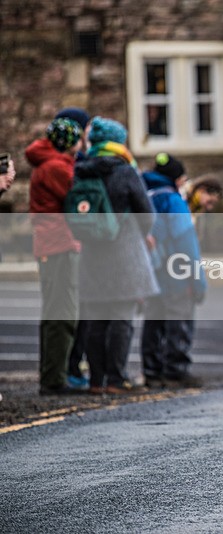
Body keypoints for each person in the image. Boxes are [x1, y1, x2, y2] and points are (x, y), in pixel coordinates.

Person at [76, 117, 159, 395]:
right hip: (124, 251)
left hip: (91, 252)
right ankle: (115, 378)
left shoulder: (82, 170)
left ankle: (96, 380)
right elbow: (146, 213)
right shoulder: (125, 171)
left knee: (95, 320)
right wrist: (141, 233)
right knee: (121, 318)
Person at [25, 118, 85, 395]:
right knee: (63, 312)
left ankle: (52, 374)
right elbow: (78, 199)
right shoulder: (57, 168)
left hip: (51, 244)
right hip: (59, 244)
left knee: (55, 310)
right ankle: (55, 378)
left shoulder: (47, 164)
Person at [140, 153, 206, 388]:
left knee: (153, 321)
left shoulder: (143, 194)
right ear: (177, 179)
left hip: (150, 269)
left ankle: (152, 370)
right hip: (174, 272)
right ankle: (175, 371)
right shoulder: (173, 201)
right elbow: (186, 243)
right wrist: (198, 280)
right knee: (178, 319)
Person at [54, 107, 92, 390]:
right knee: (70, 311)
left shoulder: (78, 162)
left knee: (81, 310)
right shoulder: (67, 165)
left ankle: (73, 366)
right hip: (70, 243)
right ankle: (66, 370)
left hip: (79, 242)